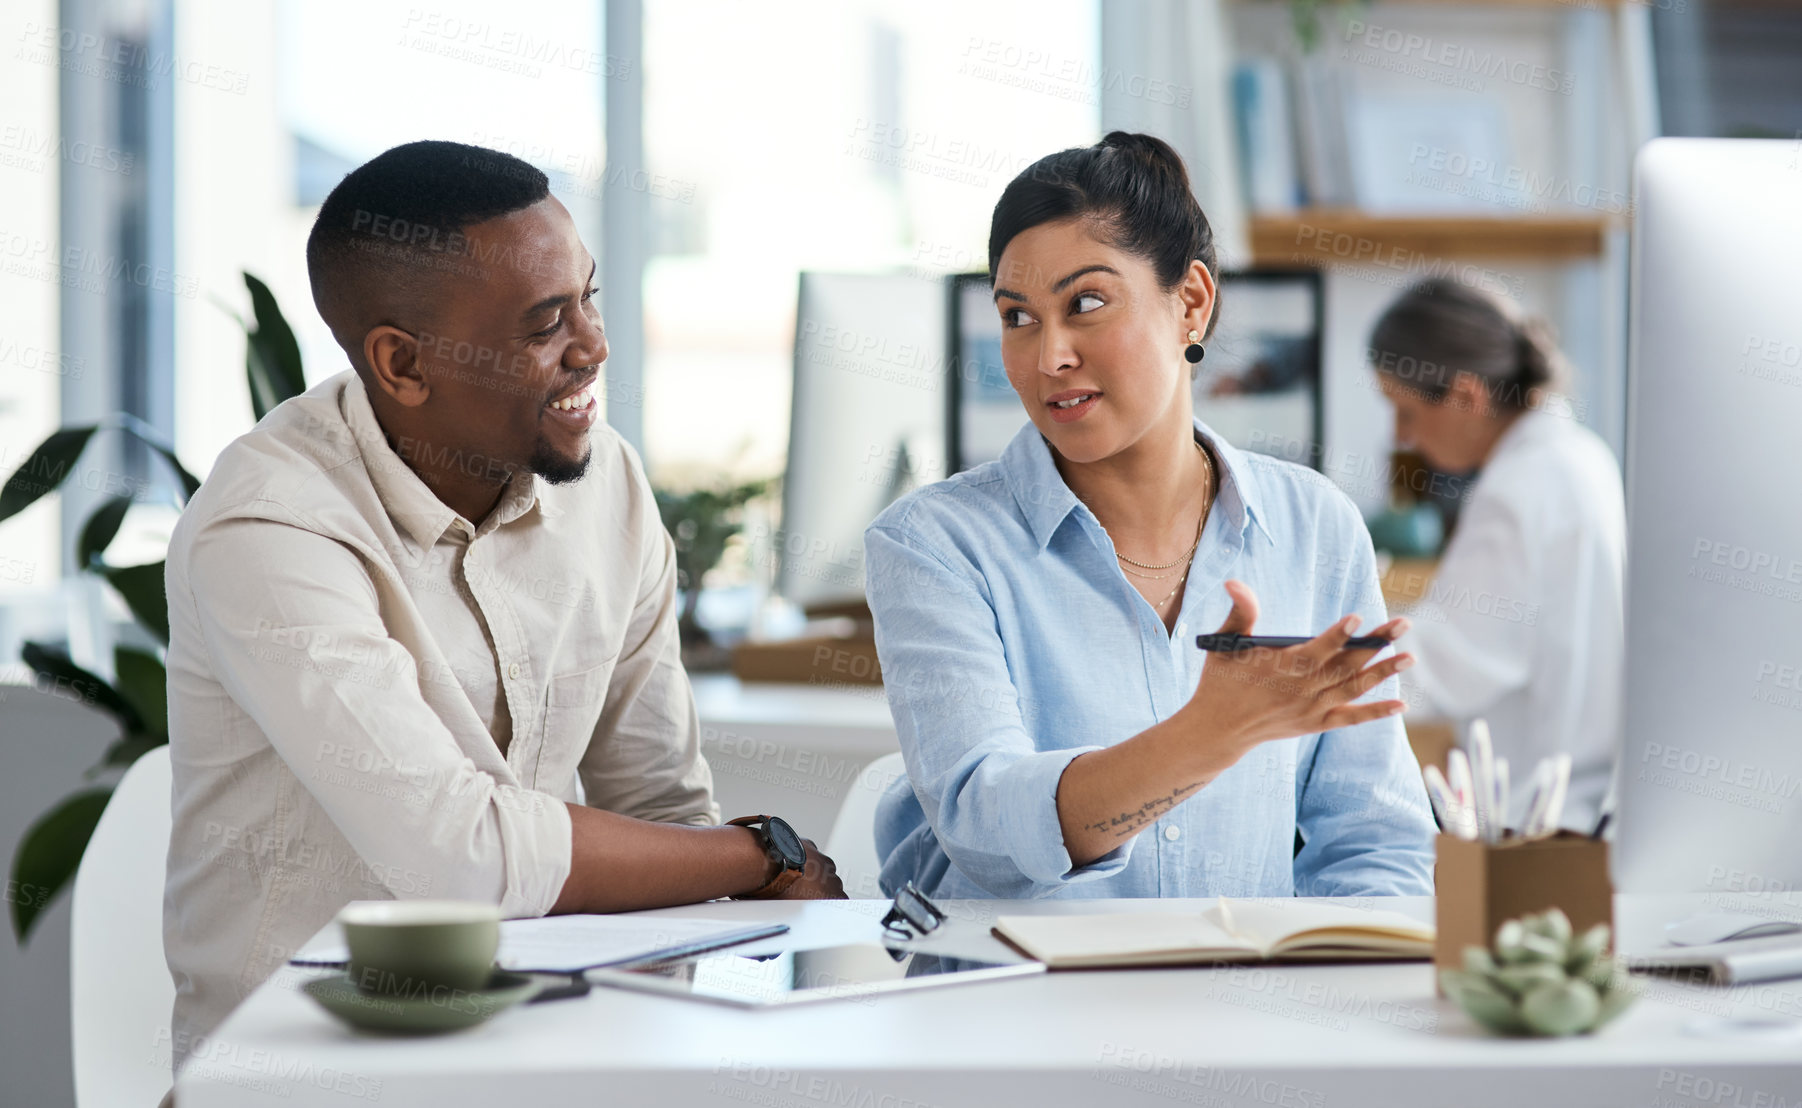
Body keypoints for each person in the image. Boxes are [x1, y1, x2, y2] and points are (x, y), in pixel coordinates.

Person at [162, 141, 842, 1069]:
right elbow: (463, 858)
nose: (594, 347)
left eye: (589, 298)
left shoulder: (608, 489)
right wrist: (763, 854)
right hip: (309, 1075)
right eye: (543, 325)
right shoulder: (270, 529)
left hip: (538, 1060)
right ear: (403, 365)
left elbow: (662, 812)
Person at [866, 132, 1436, 901]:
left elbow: (1378, 842)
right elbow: (985, 828)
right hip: (1012, 1009)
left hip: (1241, 1008)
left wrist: (1326, 999)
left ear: (1191, 304)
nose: (1048, 357)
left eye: (1087, 303)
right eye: (1017, 316)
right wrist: (1208, 736)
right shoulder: (935, 544)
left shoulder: (1314, 528)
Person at [1369, 278, 1624, 830]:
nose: (1402, 437)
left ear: (1466, 396)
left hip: (1539, 823)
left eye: (1405, 411)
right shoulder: (1582, 456)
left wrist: (1312, 658)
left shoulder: (1521, 488)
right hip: (1588, 805)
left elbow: (1444, 664)